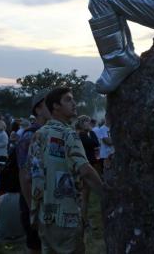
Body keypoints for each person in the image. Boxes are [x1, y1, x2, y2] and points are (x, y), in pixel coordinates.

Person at [29, 87, 105, 253]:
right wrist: (107, 195)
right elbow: (85, 170)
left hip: (44, 216)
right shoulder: (69, 134)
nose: (74, 103)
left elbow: (34, 175)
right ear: (56, 106)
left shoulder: (38, 135)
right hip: (67, 217)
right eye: (68, 99)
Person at [18, 88, 51, 254]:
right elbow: (24, 177)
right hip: (33, 202)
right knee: (36, 247)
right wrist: (33, 209)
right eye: (49, 103)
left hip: (49, 202)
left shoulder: (52, 132)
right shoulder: (29, 136)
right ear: (38, 109)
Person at [75, 115, 100, 226]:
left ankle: (83, 218)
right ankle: (83, 220)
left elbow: (96, 143)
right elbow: (94, 143)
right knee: (84, 195)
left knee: (86, 194)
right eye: (87, 122)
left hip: (90, 165)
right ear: (82, 123)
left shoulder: (87, 134)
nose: (89, 124)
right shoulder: (81, 135)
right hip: (85, 166)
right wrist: (92, 132)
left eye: (89, 122)